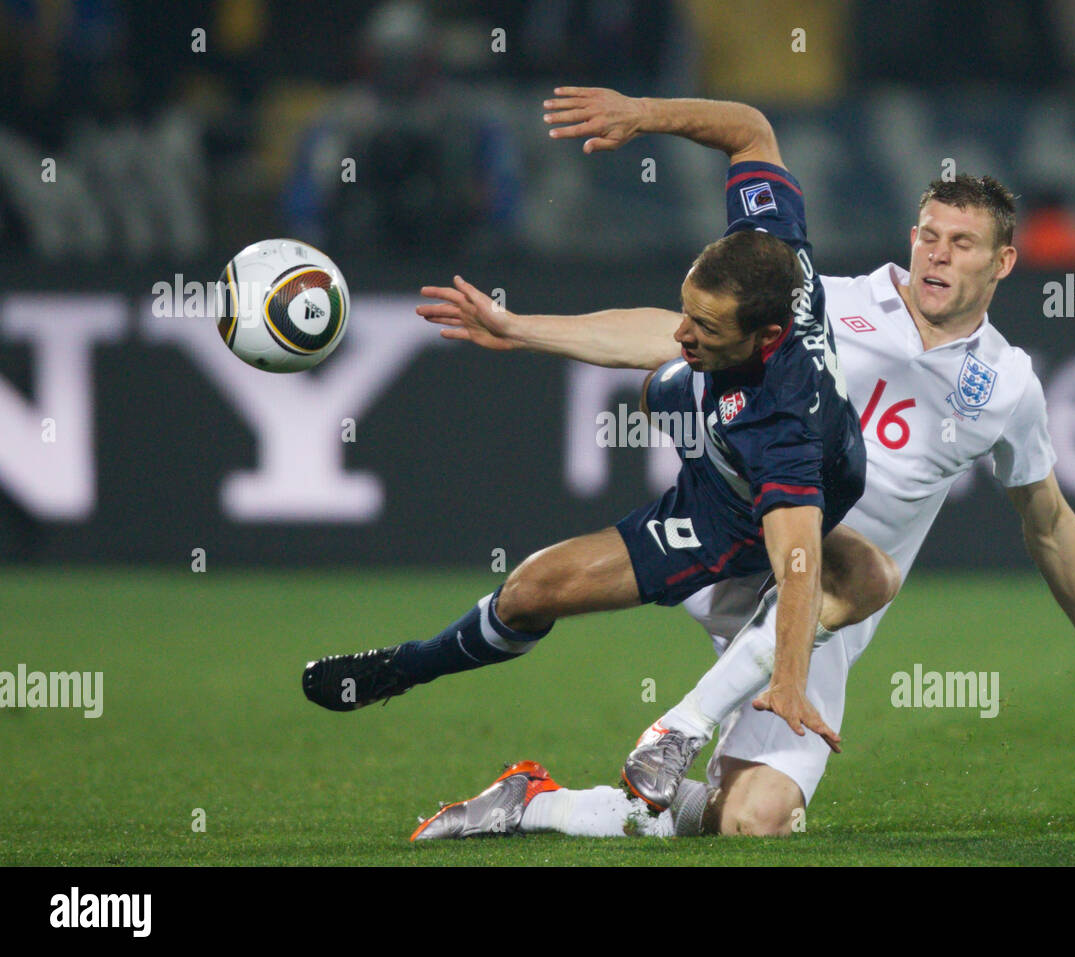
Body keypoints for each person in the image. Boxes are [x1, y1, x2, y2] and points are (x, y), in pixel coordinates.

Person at [410, 88, 1075, 842]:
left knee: (756, 819)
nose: (937, 253)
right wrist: (525, 328)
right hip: (744, 541)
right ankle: (677, 721)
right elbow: (672, 330)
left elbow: (1050, 525)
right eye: (928, 234)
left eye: (962, 242)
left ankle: (537, 803)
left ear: (1004, 260)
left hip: (820, 612)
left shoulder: (1009, 385)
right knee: (584, 533)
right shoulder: (827, 302)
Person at [303, 93, 900, 765]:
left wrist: (789, 679)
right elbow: (752, 130)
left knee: (537, 587)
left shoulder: (781, 423)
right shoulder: (773, 251)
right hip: (722, 421)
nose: (685, 332)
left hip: (729, 512)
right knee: (653, 394)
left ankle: (421, 667)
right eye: (688, 310)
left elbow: (797, 562)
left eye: (705, 326)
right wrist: (642, 115)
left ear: (765, 336)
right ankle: (407, 666)